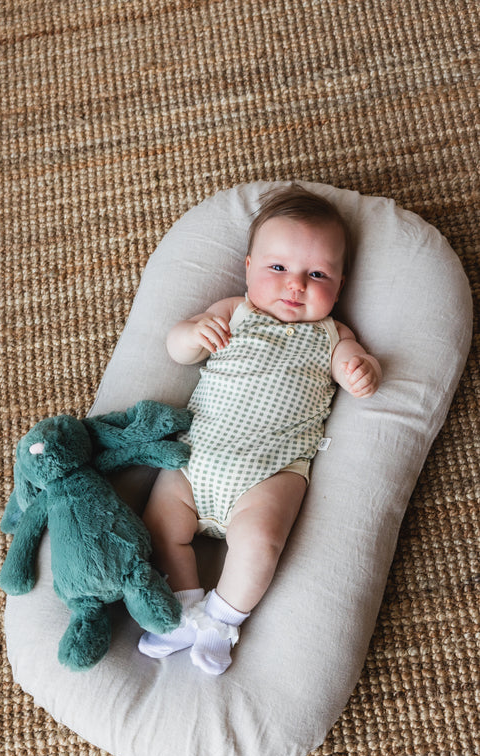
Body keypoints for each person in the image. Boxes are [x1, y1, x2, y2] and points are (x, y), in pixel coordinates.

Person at [138, 185, 382, 675]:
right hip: (197, 458)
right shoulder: (234, 311)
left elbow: (352, 363)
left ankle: (221, 619)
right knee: (159, 525)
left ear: (340, 283)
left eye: (317, 274)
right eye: (278, 269)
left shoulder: (333, 334)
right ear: (247, 267)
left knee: (261, 540)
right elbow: (178, 348)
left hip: (270, 472)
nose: (296, 285)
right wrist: (192, 334)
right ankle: (184, 608)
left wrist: (361, 368)